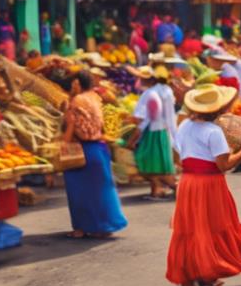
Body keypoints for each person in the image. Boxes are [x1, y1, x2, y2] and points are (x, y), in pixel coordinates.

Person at [167, 85, 241, 286]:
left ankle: (187, 280)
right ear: (219, 109)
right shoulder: (214, 132)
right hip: (210, 184)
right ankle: (208, 275)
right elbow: (224, 165)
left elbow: (177, 156)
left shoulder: (185, 125)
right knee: (213, 226)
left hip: (188, 182)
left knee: (189, 228)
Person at [61, 71, 128, 239]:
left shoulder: (76, 100)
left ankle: (81, 228)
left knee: (79, 192)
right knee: (101, 190)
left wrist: (64, 141)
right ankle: (104, 226)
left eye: (73, 83)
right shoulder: (96, 97)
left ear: (77, 83)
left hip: (83, 151)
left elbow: (72, 127)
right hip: (100, 148)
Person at [130, 66, 177, 199]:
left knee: (147, 163)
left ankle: (176, 186)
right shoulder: (166, 90)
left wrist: (133, 137)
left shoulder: (149, 94)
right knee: (154, 164)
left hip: (152, 132)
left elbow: (142, 117)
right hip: (162, 131)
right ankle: (157, 190)